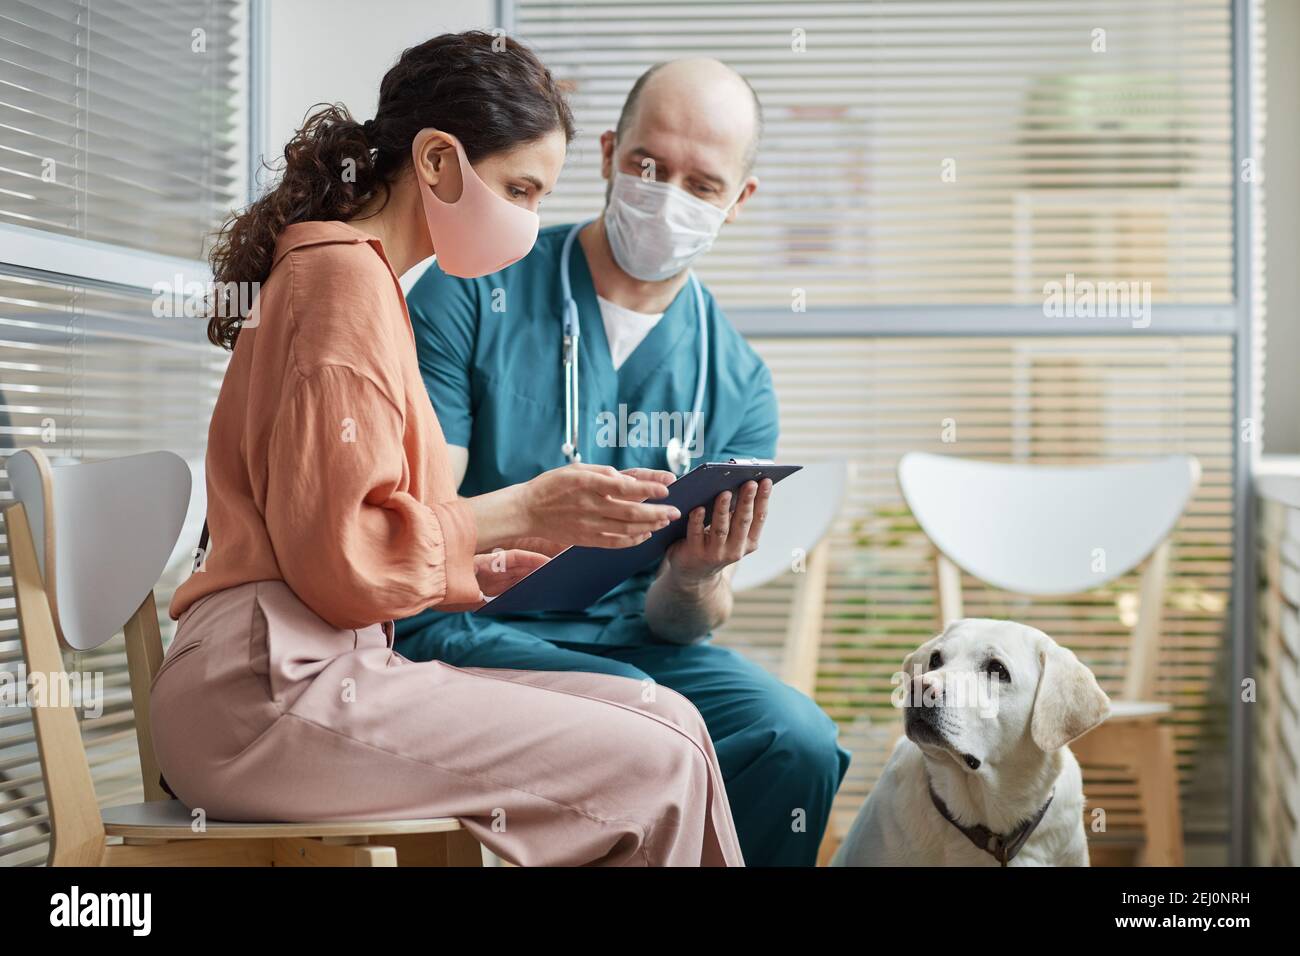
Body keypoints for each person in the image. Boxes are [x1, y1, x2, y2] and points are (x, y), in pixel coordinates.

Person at [149, 32, 744, 867]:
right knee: (663, 754)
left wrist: (477, 561)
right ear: (436, 162)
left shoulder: (365, 284)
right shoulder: (343, 284)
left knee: (674, 720)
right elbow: (342, 562)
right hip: (267, 692)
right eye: (521, 188)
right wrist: (524, 507)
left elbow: (347, 525)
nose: (532, 222)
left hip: (311, 666)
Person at [397, 57, 850, 866]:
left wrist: (695, 577)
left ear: (738, 202)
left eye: (701, 183)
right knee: (650, 721)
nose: (666, 193)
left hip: (639, 649)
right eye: (647, 164)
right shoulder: (473, 289)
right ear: (607, 153)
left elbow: (685, 624)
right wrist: (533, 508)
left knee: (798, 739)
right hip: (469, 628)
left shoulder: (736, 377)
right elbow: (419, 512)